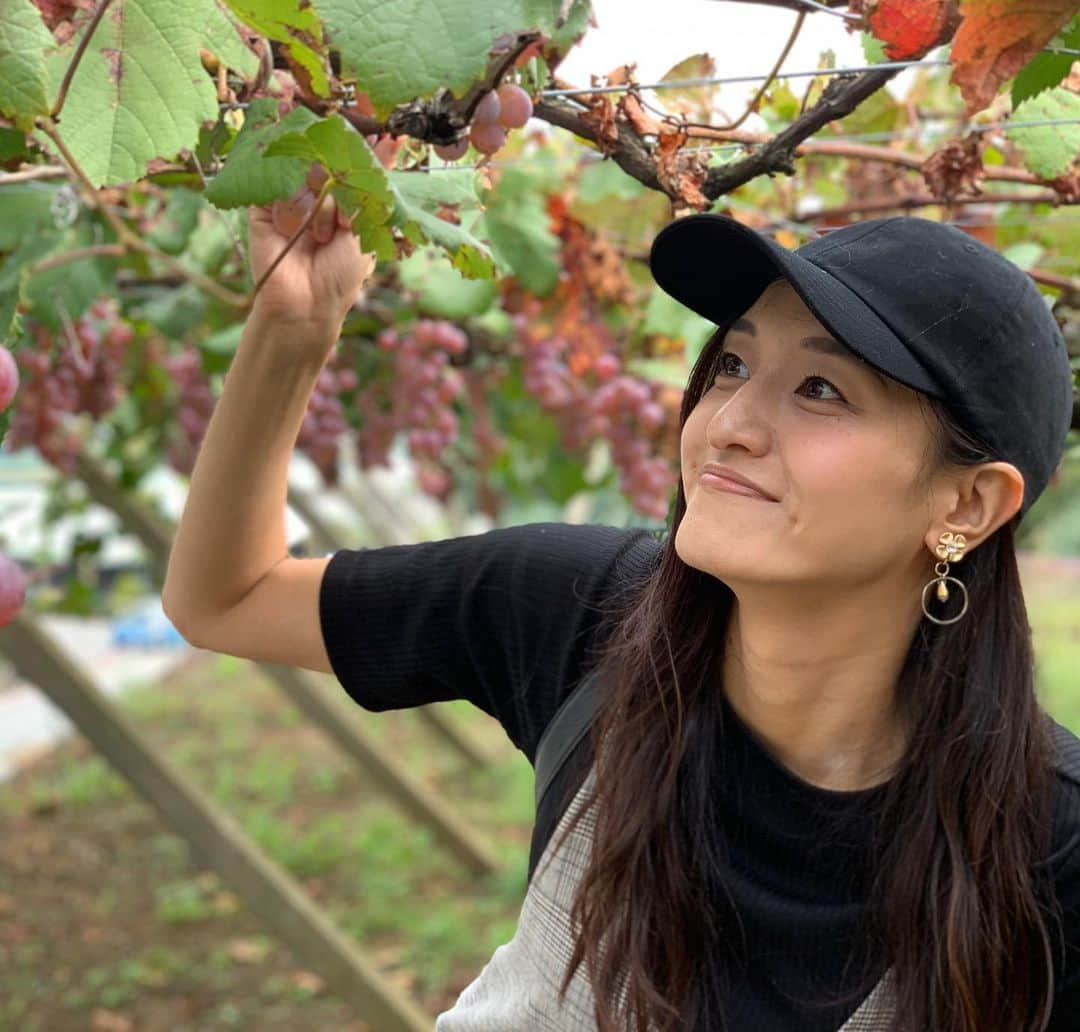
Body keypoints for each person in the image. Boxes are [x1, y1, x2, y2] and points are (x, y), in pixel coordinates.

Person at [162, 179, 1080, 1032]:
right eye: (730, 366)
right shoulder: (584, 613)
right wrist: (296, 329)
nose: (728, 423)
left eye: (820, 389)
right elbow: (227, 599)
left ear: (965, 505)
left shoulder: (1054, 852)